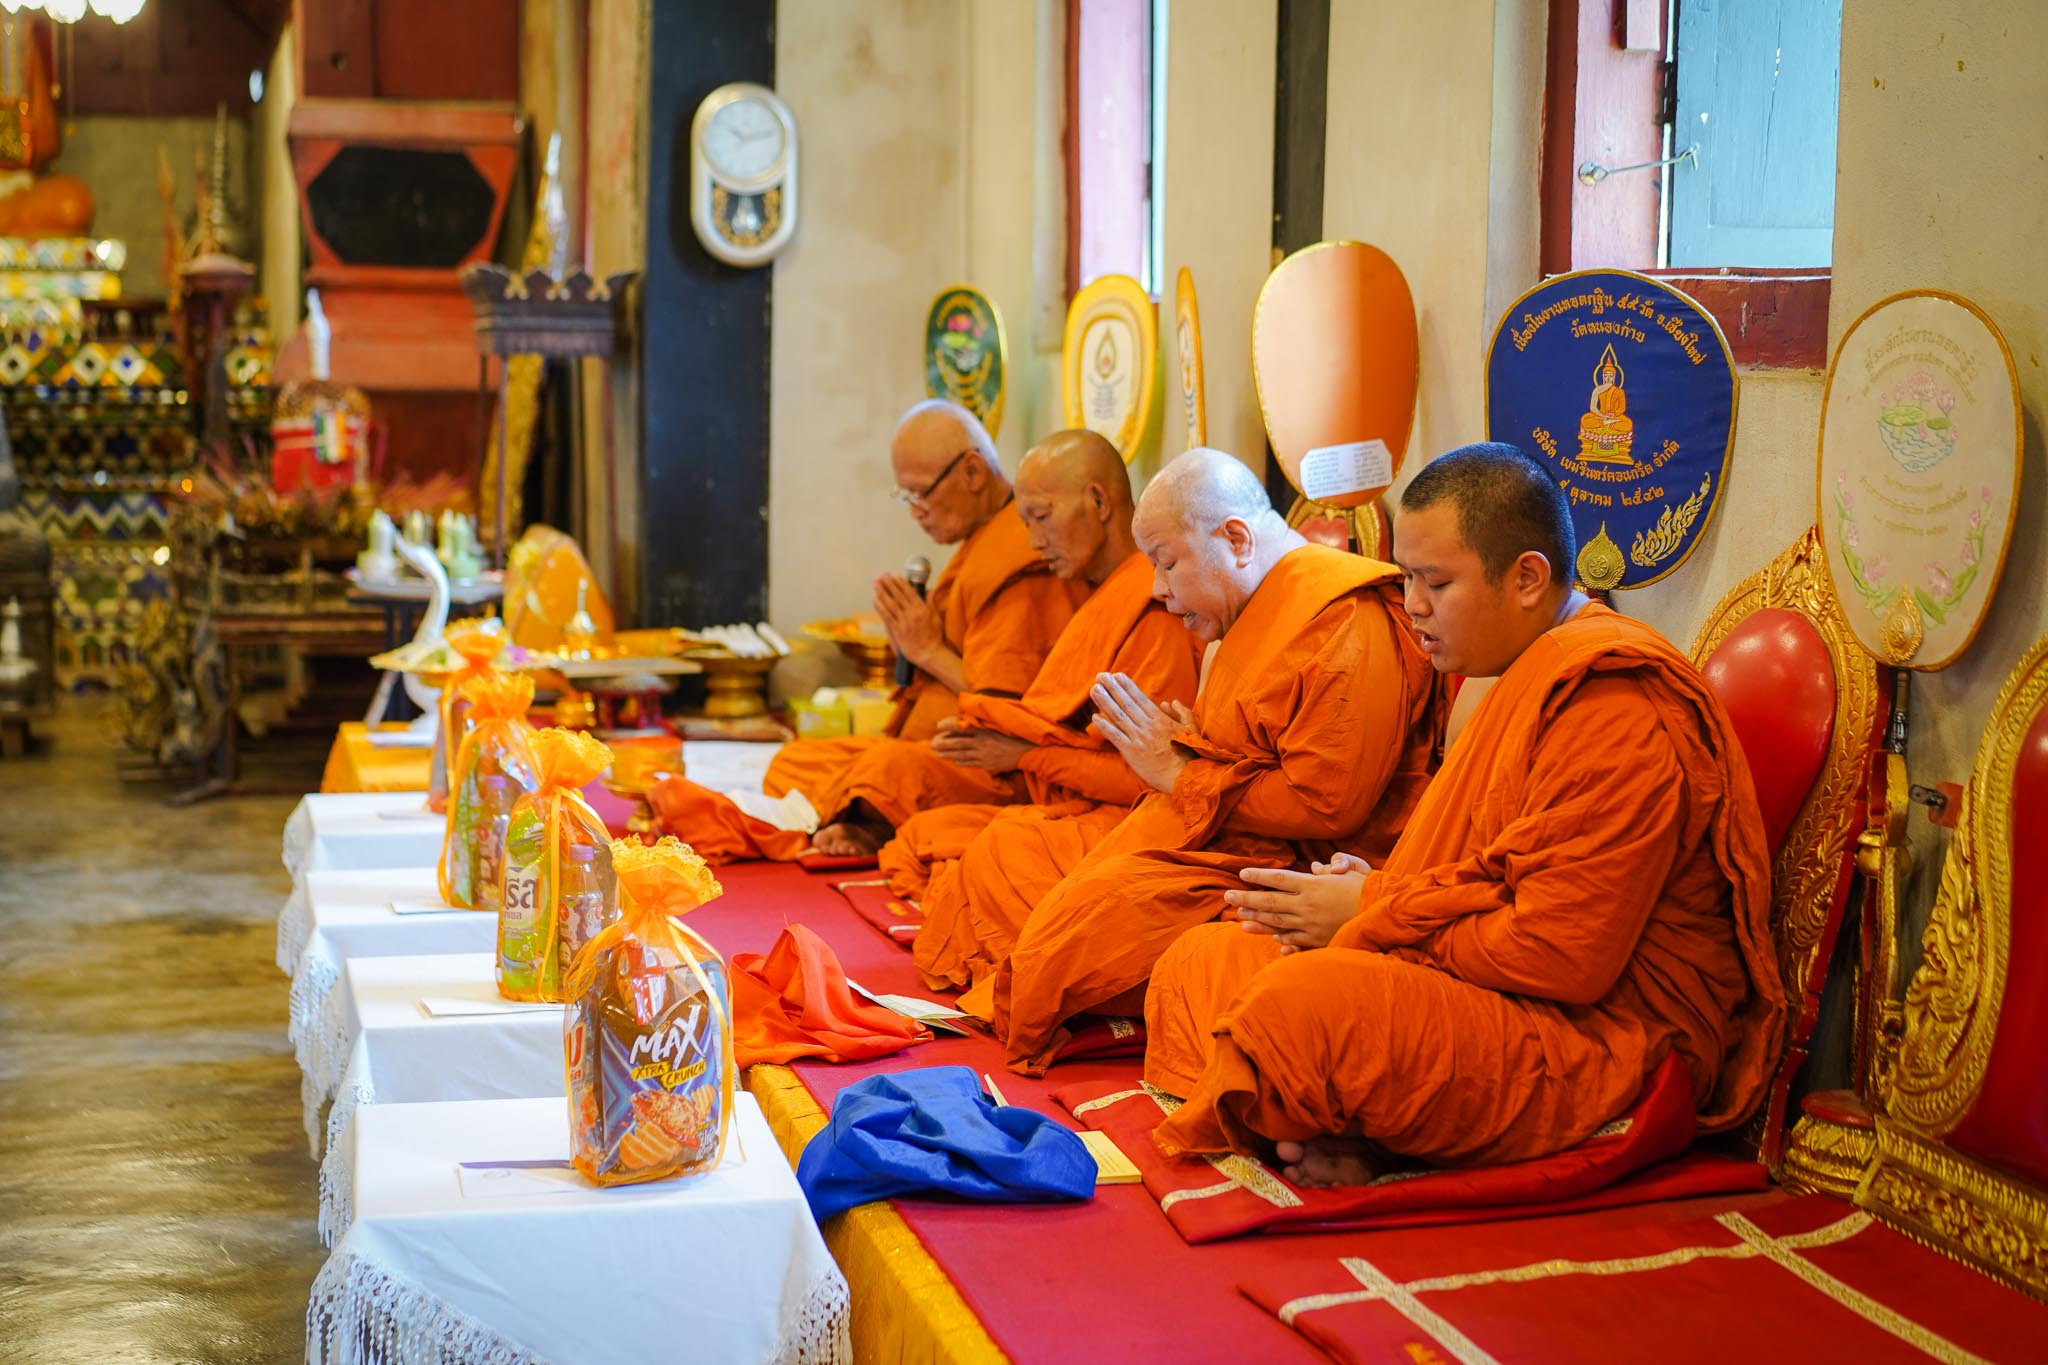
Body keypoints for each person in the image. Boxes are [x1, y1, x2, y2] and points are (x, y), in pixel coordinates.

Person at [1143, 442, 1786, 1185]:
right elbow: (1483, 871)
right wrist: (1381, 891)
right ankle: (1339, 1116)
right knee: (1202, 959)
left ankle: (1334, 1110)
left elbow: (1563, 957)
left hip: (1602, 1031)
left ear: (1527, 578)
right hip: (1484, 981)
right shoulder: (1519, 671)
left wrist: (1374, 908)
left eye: (1436, 582)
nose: (1413, 604)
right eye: (1408, 577)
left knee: (1298, 1009)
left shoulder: (1616, 704)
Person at [979, 447, 1445, 1075]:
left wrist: (1181, 772)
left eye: (1167, 562)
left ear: (1236, 539)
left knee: (1104, 932)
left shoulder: (1344, 620)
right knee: (1031, 874)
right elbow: (1251, 753)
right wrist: (1191, 746)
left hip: (1297, 872)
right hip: (1218, 844)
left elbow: (1329, 804)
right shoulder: (1253, 610)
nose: (1157, 588)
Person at [650, 400, 1084, 861]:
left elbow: (1010, 713)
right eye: (905, 496)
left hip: (989, 770)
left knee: (885, 771)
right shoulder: (982, 543)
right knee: (796, 760)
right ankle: (856, 810)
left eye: (919, 493)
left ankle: (869, 821)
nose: (915, 511)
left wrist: (928, 651)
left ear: (973, 473)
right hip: (929, 746)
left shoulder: (1021, 561)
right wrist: (913, 644)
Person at [878, 431, 1202, 990]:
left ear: (1098, 502)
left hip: (1133, 818)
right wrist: (1017, 747)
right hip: (1072, 801)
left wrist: (1025, 754)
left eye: (1042, 518)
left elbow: (1149, 779)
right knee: (930, 837)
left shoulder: (1154, 608)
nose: (1032, 541)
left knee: (994, 850)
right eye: (1025, 521)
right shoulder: (1106, 594)